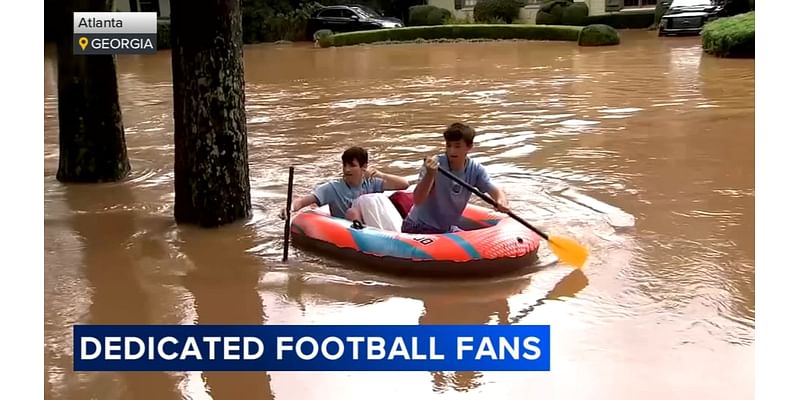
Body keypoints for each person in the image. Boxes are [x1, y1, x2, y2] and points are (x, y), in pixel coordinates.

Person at [401, 122, 510, 234]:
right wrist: (430, 175)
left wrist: (501, 201)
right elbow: (418, 200)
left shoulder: (475, 169)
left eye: (457, 146)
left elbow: (494, 190)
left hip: (446, 228)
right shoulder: (434, 164)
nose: (452, 151)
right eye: (449, 145)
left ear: (469, 147)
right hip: (419, 225)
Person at [280, 147, 409, 230]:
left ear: (363, 167)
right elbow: (303, 201)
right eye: (344, 165)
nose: (346, 169)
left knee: (378, 198)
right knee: (352, 212)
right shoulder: (332, 188)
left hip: (373, 226)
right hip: (351, 230)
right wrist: (289, 208)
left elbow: (404, 184)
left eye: (352, 165)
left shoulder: (371, 183)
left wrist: (381, 174)